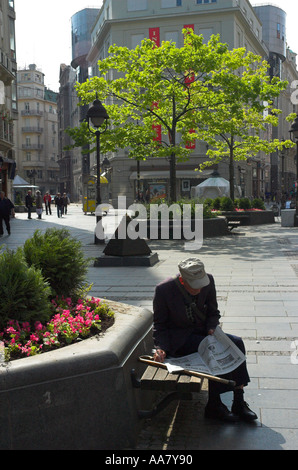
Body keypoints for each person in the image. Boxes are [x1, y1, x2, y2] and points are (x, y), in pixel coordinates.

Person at [153, 258, 258, 423]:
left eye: (201, 284)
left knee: (236, 342)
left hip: (203, 333)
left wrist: (212, 326)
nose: (200, 289)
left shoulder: (208, 281)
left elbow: (213, 312)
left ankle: (238, 400)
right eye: (195, 286)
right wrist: (162, 348)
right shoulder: (164, 290)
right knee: (210, 349)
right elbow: (159, 325)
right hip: (180, 339)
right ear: (182, 280)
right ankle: (214, 404)